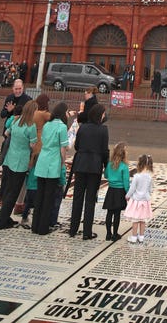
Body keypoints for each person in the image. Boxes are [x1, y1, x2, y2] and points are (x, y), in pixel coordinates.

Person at [68, 103, 109, 240]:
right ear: (99, 115)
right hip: (94, 167)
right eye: (103, 113)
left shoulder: (83, 127)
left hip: (80, 164)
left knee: (77, 198)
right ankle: (87, 232)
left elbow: (77, 145)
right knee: (90, 200)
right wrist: (106, 165)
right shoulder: (103, 130)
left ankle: (73, 229)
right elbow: (104, 151)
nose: (104, 115)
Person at [0, 100, 38, 228]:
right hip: (20, 162)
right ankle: (1, 222)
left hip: (9, 159)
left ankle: (5, 218)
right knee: (13, 193)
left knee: (8, 190)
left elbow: (6, 133)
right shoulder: (31, 126)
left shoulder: (15, 121)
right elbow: (32, 144)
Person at [33, 102, 69, 235]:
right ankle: (43, 227)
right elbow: (63, 148)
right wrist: (62, 163)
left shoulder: (47, 125)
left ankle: (35, 225)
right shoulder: (62, 127)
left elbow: (43, 140)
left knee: (40, 195)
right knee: (49, 197)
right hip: (53, 163)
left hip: (42, 160)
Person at [103, 141, 130, 241]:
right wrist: (128, 193)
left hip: (111, 190)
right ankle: (115, 234)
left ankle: (108, 234)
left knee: (109, 212)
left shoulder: (110, 164)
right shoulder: (124, 166)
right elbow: (126, 181)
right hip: (120, 191)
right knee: (117, 214)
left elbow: (105, 175)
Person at [125, 153, 154, 243]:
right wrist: (147, 195)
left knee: (135, 220)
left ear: (139, 164)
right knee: (142, 220)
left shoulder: (137, 176)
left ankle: (134, 237)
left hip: (136, 201)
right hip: (145, 201)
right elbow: (150, 189)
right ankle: (141, 237)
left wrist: (127, 196)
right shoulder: (149, 177)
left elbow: (132, 188)